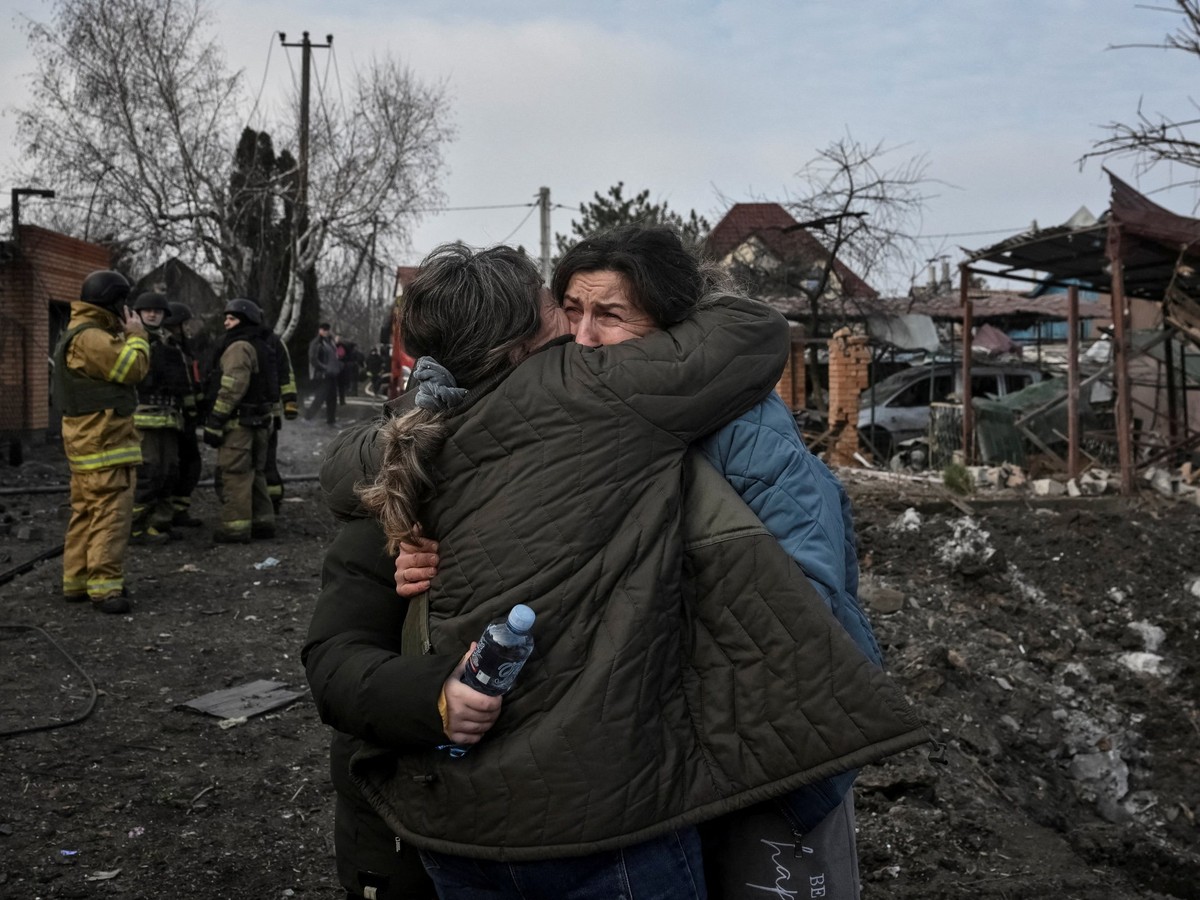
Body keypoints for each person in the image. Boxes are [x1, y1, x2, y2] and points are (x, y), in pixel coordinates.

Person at [305, 240, 924, 899]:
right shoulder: (585, 395)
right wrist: (433, 695)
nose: (583, 334)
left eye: (611, 314)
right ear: (520, 339)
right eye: (566, 309)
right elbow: (756, 328)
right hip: (609, 815)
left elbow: (805, 593)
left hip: (704, 769)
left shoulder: (420, 439)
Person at [52, 269, 150, 614]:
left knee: (85, 513)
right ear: (112, 301)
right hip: (104, 446)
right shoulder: (92, 337)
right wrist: (138, 337)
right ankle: (105, 589)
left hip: (89, 446)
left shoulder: (78, 333)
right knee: (111, 515)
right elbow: (133, 368)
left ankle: (76, 581)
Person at [203, 298, 277, 543]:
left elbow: (232, 387)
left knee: (235, 475)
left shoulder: (238, 347)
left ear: (244, 321)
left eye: (232, 318)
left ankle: (235, 528)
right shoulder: (262, 345)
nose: (226, 322)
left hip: (238, 426)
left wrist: (215, 420)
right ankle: (263, 521)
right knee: (255, 474)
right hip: (258, 424)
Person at [128, 291, 191, 544]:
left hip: (170, 418)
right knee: (148, 472)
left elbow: (183, 381)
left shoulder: (170, 343)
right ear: (139, 313)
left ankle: (159, 524)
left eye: (158, 311)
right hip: (143, 418)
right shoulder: (131, 339)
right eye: (147, 310)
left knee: (169, 472)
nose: (152, 314)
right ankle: (135, 528)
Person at [162, 302, 205, 529]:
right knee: (174, 466)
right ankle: (167, 513)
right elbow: (178, 383)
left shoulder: (185, 347)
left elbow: (193, 381)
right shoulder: (167, 347)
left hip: (187, 416)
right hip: (173, 416)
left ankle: (180, 510)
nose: (187, 328)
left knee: (191, 465)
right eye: (183, 324)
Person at [261, 323, 299, 513]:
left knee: (267, 459)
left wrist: (290, 403)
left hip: (269, 413)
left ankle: (272, 501)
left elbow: (286, 373)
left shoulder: (273, 342)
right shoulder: (234, 340)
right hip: (259, 412)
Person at [305, 322, 341, 425]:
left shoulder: (330, 342)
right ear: (320, 330)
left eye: (327, 330)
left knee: (332, 398)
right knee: (320, 398)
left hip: (332, 374)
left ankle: (331, 420)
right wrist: (324, 368)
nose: (326, 332)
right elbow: (313, 359)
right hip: (323, 375)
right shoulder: (317, 343)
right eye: (324, 329)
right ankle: (308, 417)